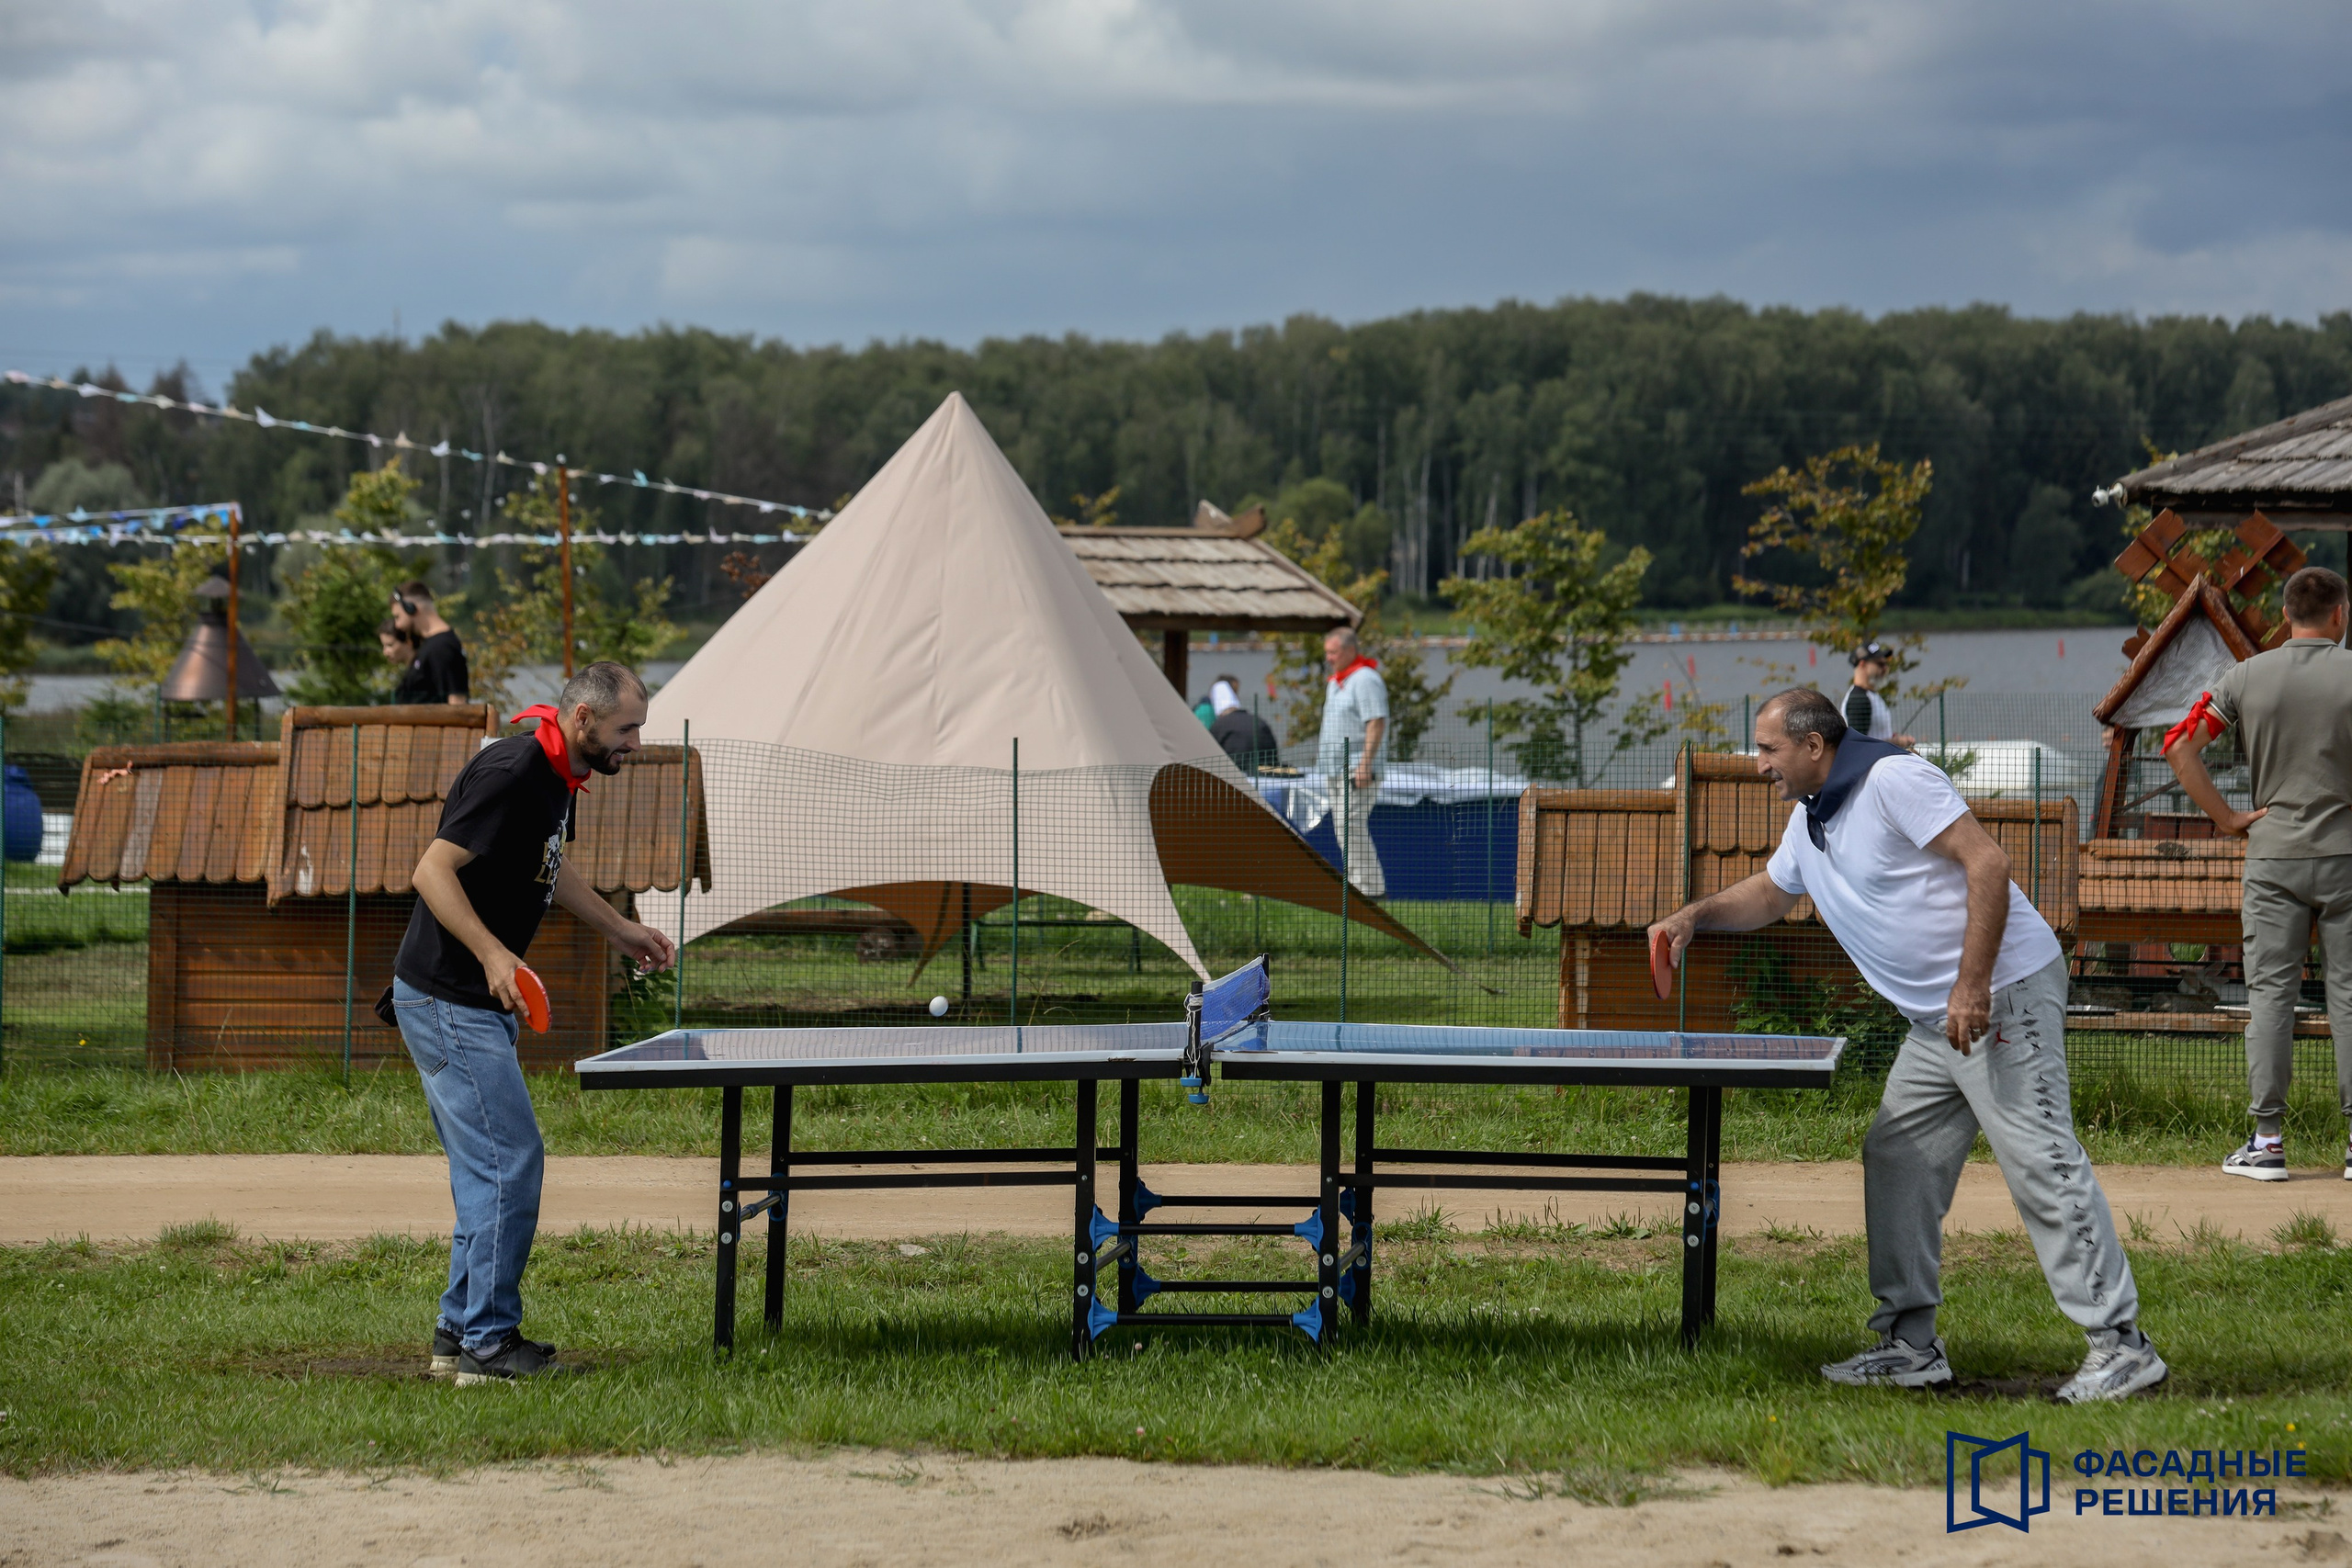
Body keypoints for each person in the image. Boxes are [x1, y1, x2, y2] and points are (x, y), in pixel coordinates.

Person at [1648, 687, 2163, 1402]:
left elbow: (1988, 864)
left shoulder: (1893, 780)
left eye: (1767, 749)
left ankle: (2122, 1345)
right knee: (1897, 1154)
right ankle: (1910, 1344)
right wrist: (1693, 918)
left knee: (2041, 1160)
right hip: (1935, 1020)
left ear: (1814, 746)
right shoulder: (1812, 816)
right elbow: (1771, 891)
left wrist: (1972, 985)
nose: (1757, 762)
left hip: (1999, 991)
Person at [392, 661, 676, 1384]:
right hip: (449, 996)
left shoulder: (557, 771)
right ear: (583, 720)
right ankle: (490, 1343)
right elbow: (431, 870)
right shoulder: (516, 768)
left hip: (467, 999)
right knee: (510, 1161)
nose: (636, 742)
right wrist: (492, 953)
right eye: (627, 729)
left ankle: (457, 1334)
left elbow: (548, 864)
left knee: (485, 1171)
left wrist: (620, 927)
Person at [2166, 565, 2352, 1183]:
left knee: (2271, 995)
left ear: (2285, 616)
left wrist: (2227, 818)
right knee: (2349, 996)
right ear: (2340, 615)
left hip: (2272, 857)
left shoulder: (2247, 676)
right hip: (2347, 856)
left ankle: (2268, 1140)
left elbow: (2179, 746)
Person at [1317, 627, 1386, 897]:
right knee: (1343, 828)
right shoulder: (1336, 682)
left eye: (1333, 653)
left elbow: (1376, 722)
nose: (1329, 658)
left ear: (1348, 651)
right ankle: (1357, 884)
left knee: (1352, 824)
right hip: (1334, 767)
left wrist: (1365, 764)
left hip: (1356, 768)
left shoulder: (1365, 679)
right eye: (1327, 653)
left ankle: (1368, 888)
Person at [390, 581, 471, 705]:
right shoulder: (430, 645)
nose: (397, 625)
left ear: (410, 608)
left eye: (398, 617)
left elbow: (457, 702)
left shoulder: (441, 647)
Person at [1843, 640, 1915, 747]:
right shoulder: (1859, 699)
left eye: (1886, 663)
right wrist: (1897, 742)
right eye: (1880, 664)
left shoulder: (1871, 695)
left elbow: (1877, 734)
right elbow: (1857, 745)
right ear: (1863, 664)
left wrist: (1895, 737)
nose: (1885, 668)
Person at [1206, 673, 1280, 773]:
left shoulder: (1219, 726)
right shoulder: (1258, 721)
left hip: (1234, 776)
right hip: (1267, 775)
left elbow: (1210, 757)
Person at [378, 618, 419, 682]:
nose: (385, 653)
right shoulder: (413, 673)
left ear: (408, 643)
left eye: (390, 645)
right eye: (384, 646)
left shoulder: (422, 672)